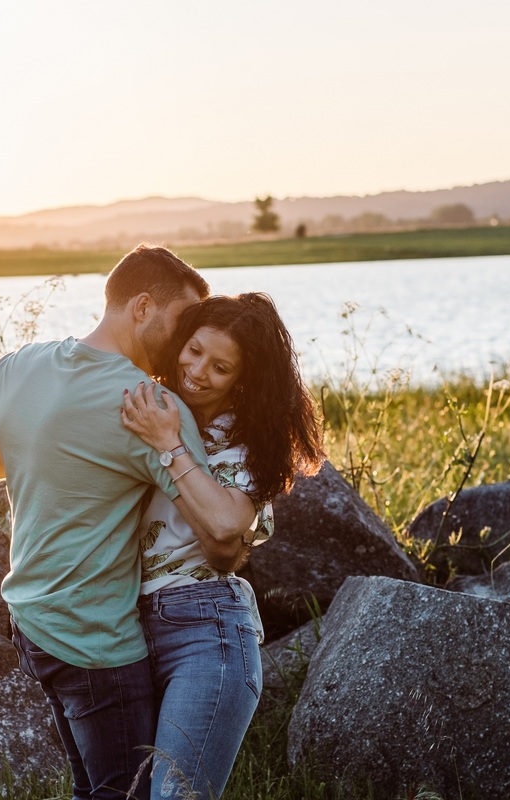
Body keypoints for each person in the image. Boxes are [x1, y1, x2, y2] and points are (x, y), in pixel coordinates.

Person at [0, 243, 211, 800]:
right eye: (183, 323)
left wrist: (42, 448)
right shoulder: (149, 408)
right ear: (143, 307)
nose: (185, 344)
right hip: (96, 641)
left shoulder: (17, 366)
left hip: (32, 623)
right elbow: (215, 522)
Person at [119, 292, 325, 800]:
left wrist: (170, 446)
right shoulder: (149, 404)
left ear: (242, 379)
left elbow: (226, 530)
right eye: (193, 351)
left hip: (204, 627)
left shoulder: (244, 439)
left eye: (220, 366)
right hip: (123, 624)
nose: (197, 371)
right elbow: (220, 544)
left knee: (176, 797)